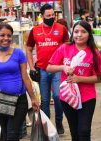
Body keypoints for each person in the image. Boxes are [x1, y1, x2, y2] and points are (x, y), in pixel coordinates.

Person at [0, 23, 39, 141]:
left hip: (19, 100)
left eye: (9, 35)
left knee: (12, 134)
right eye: (2, 35)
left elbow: (25, 77)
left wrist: (33, 98)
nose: (6, 38)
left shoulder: (19, 54)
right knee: (7, 134)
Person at [46, 20, 101, 141]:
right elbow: (49, 67)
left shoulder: (94, 52)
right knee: (74, 131)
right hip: (67, 97)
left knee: (84, 130)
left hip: (87, 98)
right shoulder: (64, 48)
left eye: (83, 32)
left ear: (89, 34)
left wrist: (79, 78)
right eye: (76, 31)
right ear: (72, 33)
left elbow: (99, 77)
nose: (79, 35)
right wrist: (63, 67)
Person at [26, 3, 69, 134]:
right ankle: (46, 125)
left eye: (53, 15)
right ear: (42, 16)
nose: (51, 18)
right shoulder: (35, 30)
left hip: (57, 69)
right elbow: (28, 49)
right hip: (42, 69)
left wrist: (66, 65)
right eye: (48, 16)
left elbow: (68, 47)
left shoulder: (62, 28)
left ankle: (59, 122)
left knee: (57, 96)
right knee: (44, 99)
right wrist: (32, 67)